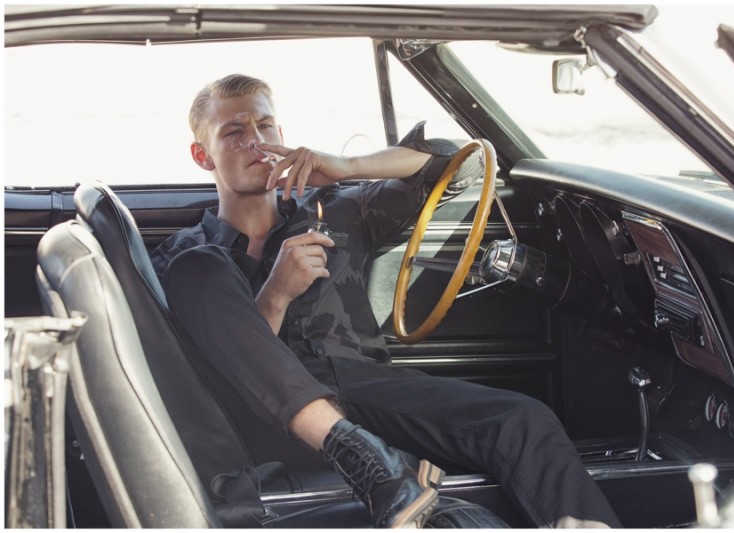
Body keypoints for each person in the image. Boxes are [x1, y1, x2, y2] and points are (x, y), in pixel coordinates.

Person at [151, 73, 622, 529]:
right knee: (200, 265)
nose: (255, 140)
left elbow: (467, 163)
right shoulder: (184, 256)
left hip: (365, 388)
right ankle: (362, 456)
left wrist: (346, 166)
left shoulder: (338, 209)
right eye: (234, 132)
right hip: (265, 417)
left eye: (265, 125)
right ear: (202, 156)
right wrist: (275, 294)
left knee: (524, 419)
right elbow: (204, 377)